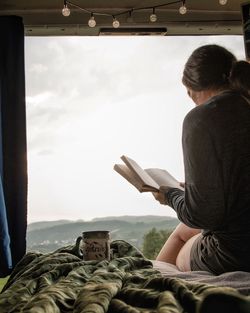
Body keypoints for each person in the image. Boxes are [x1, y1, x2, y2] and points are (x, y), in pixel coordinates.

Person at [154, 44, 250, 275]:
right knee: (182, 230)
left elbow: (203, 215)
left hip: (239, 253)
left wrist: (169, 195)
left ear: (191, 90)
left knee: (180, 243)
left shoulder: (201, 119)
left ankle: (159, 282)